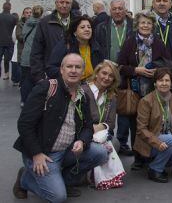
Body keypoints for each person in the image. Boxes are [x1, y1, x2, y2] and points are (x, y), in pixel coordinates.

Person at [12, 53, 109, 201]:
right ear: (61, 70)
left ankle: (63, 181)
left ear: (83, 72)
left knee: (100, 153)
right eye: (69, 66)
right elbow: (25, 124)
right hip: (42, 153)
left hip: (67, 151)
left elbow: (88, 128)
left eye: (78, 67)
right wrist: (36, 153)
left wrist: (82, 141)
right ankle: (24, 179)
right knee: (58, 197)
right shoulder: (46, 88)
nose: (73, 70)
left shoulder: (83, 96)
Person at [117, 11, 171, 162]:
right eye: (142, 23)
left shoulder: (158, 43)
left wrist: (157, 71)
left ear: (153, 25)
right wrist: (136, 70)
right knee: (136, 125)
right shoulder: (129, 42)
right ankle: (139, 158)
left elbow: (168, 63)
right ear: (137, 25)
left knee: (153, 123)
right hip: (135, 92)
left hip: (154, 91)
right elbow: (120, 66)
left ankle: (153, 154)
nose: (145, 25)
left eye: (148, 23)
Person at [134, 68, 172, 183]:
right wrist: (157, 143)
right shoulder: (146, 101)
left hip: (171, 140)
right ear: (155, 83)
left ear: (171, 84)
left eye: (167, 80)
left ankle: (161, 161)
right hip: (151, 142)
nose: (164, 83)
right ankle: (155, 169)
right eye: (160, 80)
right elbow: (141, 129)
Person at [30, 0, 74, 82]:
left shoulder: (79, 21)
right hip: (51, 74)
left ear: (71, 5)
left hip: (74, 73)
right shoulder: (44, 23)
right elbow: (36, 51)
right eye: (61, 2)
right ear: (56, 4)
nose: (64, 5)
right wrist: (39, 76)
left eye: (67, 2)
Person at [47, 15, 104, 82]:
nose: (87, 29)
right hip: (71, 86)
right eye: (82, 27)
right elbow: (51, 69)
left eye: (89, 27)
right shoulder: (65, 45)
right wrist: (70, 74)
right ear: (75, 32)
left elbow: (101, 67)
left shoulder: (96, 47)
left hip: (92, 87)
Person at [81, 60, 120, 149]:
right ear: (97, 73)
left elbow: (111, 123)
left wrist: (100, 127)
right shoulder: (82, 91)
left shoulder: (111, 97)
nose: (106, 78)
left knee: (115, 143)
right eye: (104, 73)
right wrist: (91, 129)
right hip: (82, 134)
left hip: (101, 134)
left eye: (111, 76)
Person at [19, 5, 44, 105]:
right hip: (36, 56)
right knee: (37, 79)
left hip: (25, 56)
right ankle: (35, 101)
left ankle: (24, 100)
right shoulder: (42, 24)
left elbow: (23, 37)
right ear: (41, 14)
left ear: (32, 13)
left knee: (25, 80)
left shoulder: (26, 23)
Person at [14, 7, 31, 87]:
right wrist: (29, 37)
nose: (29, 14)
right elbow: (18, 36)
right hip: (23, 50)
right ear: (23, 14)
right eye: (27, 12)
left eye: (30, 12)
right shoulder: (20, 24)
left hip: (32, 51)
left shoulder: (35, 23)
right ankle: (22, 84)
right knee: (22, 69)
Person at [0, 1, 16, 79]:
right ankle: (6, 74)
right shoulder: (14, 18)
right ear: (10, 8)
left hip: (0, 42)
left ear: (3, 7)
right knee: (7, 60)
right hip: (10, 42)